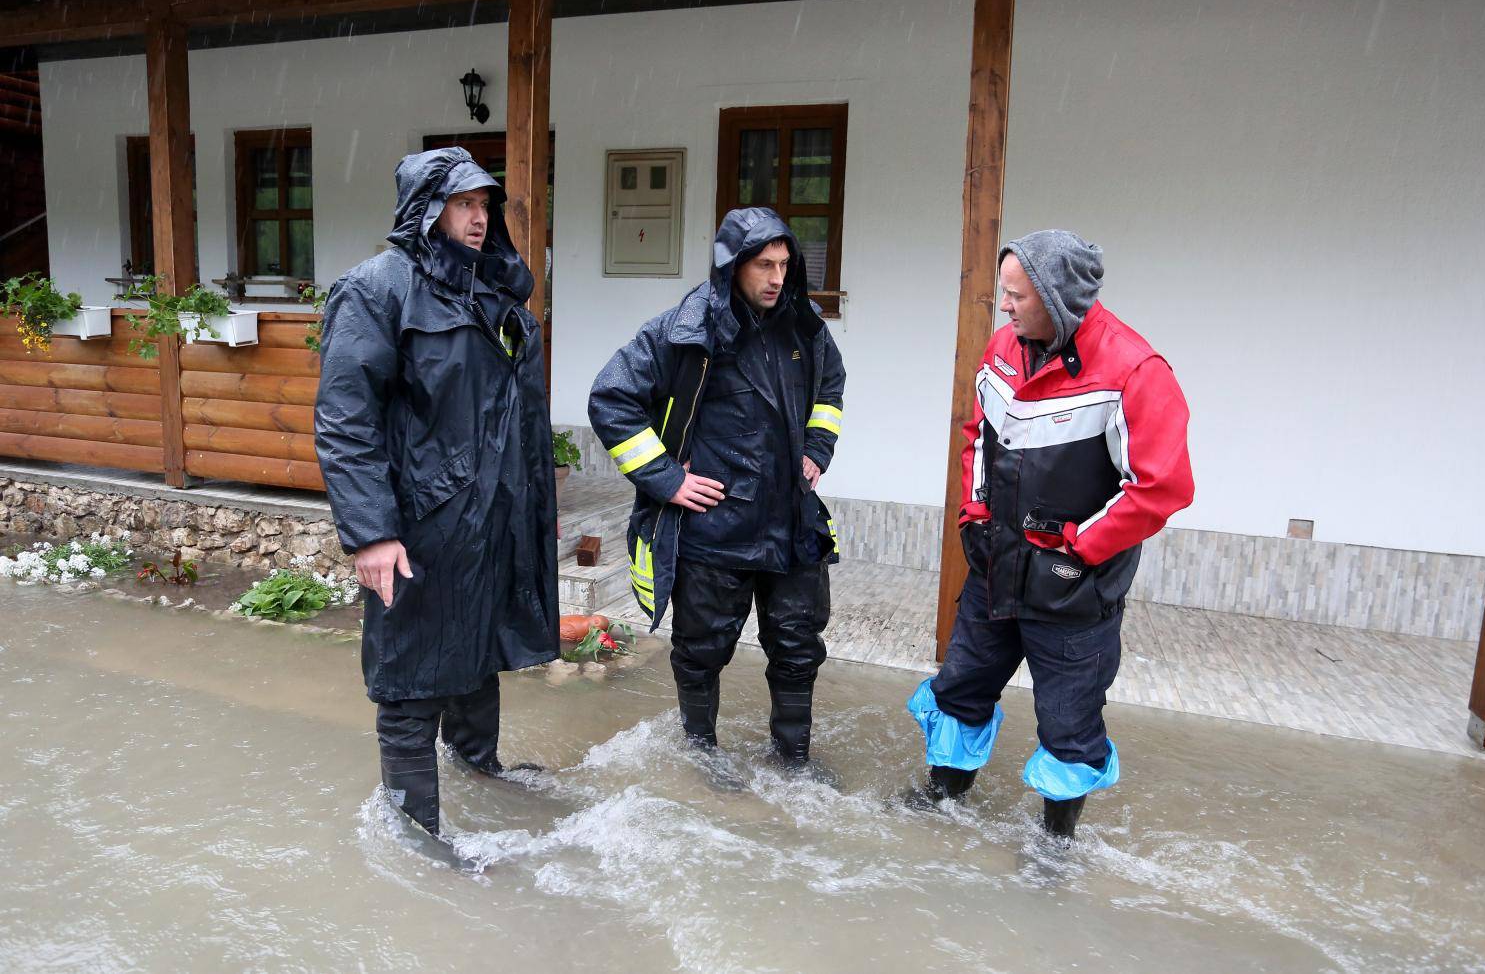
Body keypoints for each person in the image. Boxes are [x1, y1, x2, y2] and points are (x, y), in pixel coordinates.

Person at [906, 230, 1194, 839]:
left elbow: (1160, 487)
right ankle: (940, 803)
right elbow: (976, 435)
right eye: (1003, 293)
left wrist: (1079, 548)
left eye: (1016, 296)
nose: (1004, 307)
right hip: (994, 572)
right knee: (961, 687)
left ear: (1059, 300)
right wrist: (974, 514)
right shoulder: (1005, 347)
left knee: (1069, 723)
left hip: (1073, 592)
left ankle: (1054, 847)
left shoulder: (1135, 371)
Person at [314, 147, 560, 840]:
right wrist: (371, 532)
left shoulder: (493, 295)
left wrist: (531, 510)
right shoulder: (375, 289)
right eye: (463, 205)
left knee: (479, 651)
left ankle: (481, 770)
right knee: (410, 678)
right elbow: (345, 421)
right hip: (419, 522)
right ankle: (415, 836)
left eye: (485, 206)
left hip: (493, 516)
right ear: (428, 210)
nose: (479, 219)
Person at [589, 207, 845, 787]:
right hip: (714, 526)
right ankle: (700, 755)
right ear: (733, 267)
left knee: (799, 645)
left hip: (791, 519)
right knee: (702, 651)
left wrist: (818, 447)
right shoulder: (682, 330)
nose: (777, 278)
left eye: (784, 264)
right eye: (764, 265)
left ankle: (794, 760)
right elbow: (611, 399)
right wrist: (666, 479)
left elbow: (831, 385)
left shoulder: (805, 327)